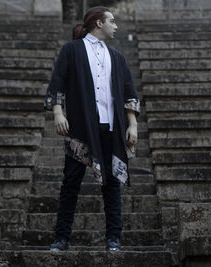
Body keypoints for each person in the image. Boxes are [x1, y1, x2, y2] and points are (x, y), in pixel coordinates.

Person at [44, 6, 140, 251]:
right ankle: (62, 238)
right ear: (98, 23)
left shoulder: (117, 57)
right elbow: (58, 81)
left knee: (112, 184)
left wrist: (132, 124)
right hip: (78, 127)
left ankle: (114, 239)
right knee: (71, 182)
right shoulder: (71, 50)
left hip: (111, 127)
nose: (116, 26)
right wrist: (57, 113)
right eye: (112, 21)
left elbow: (129, 91)